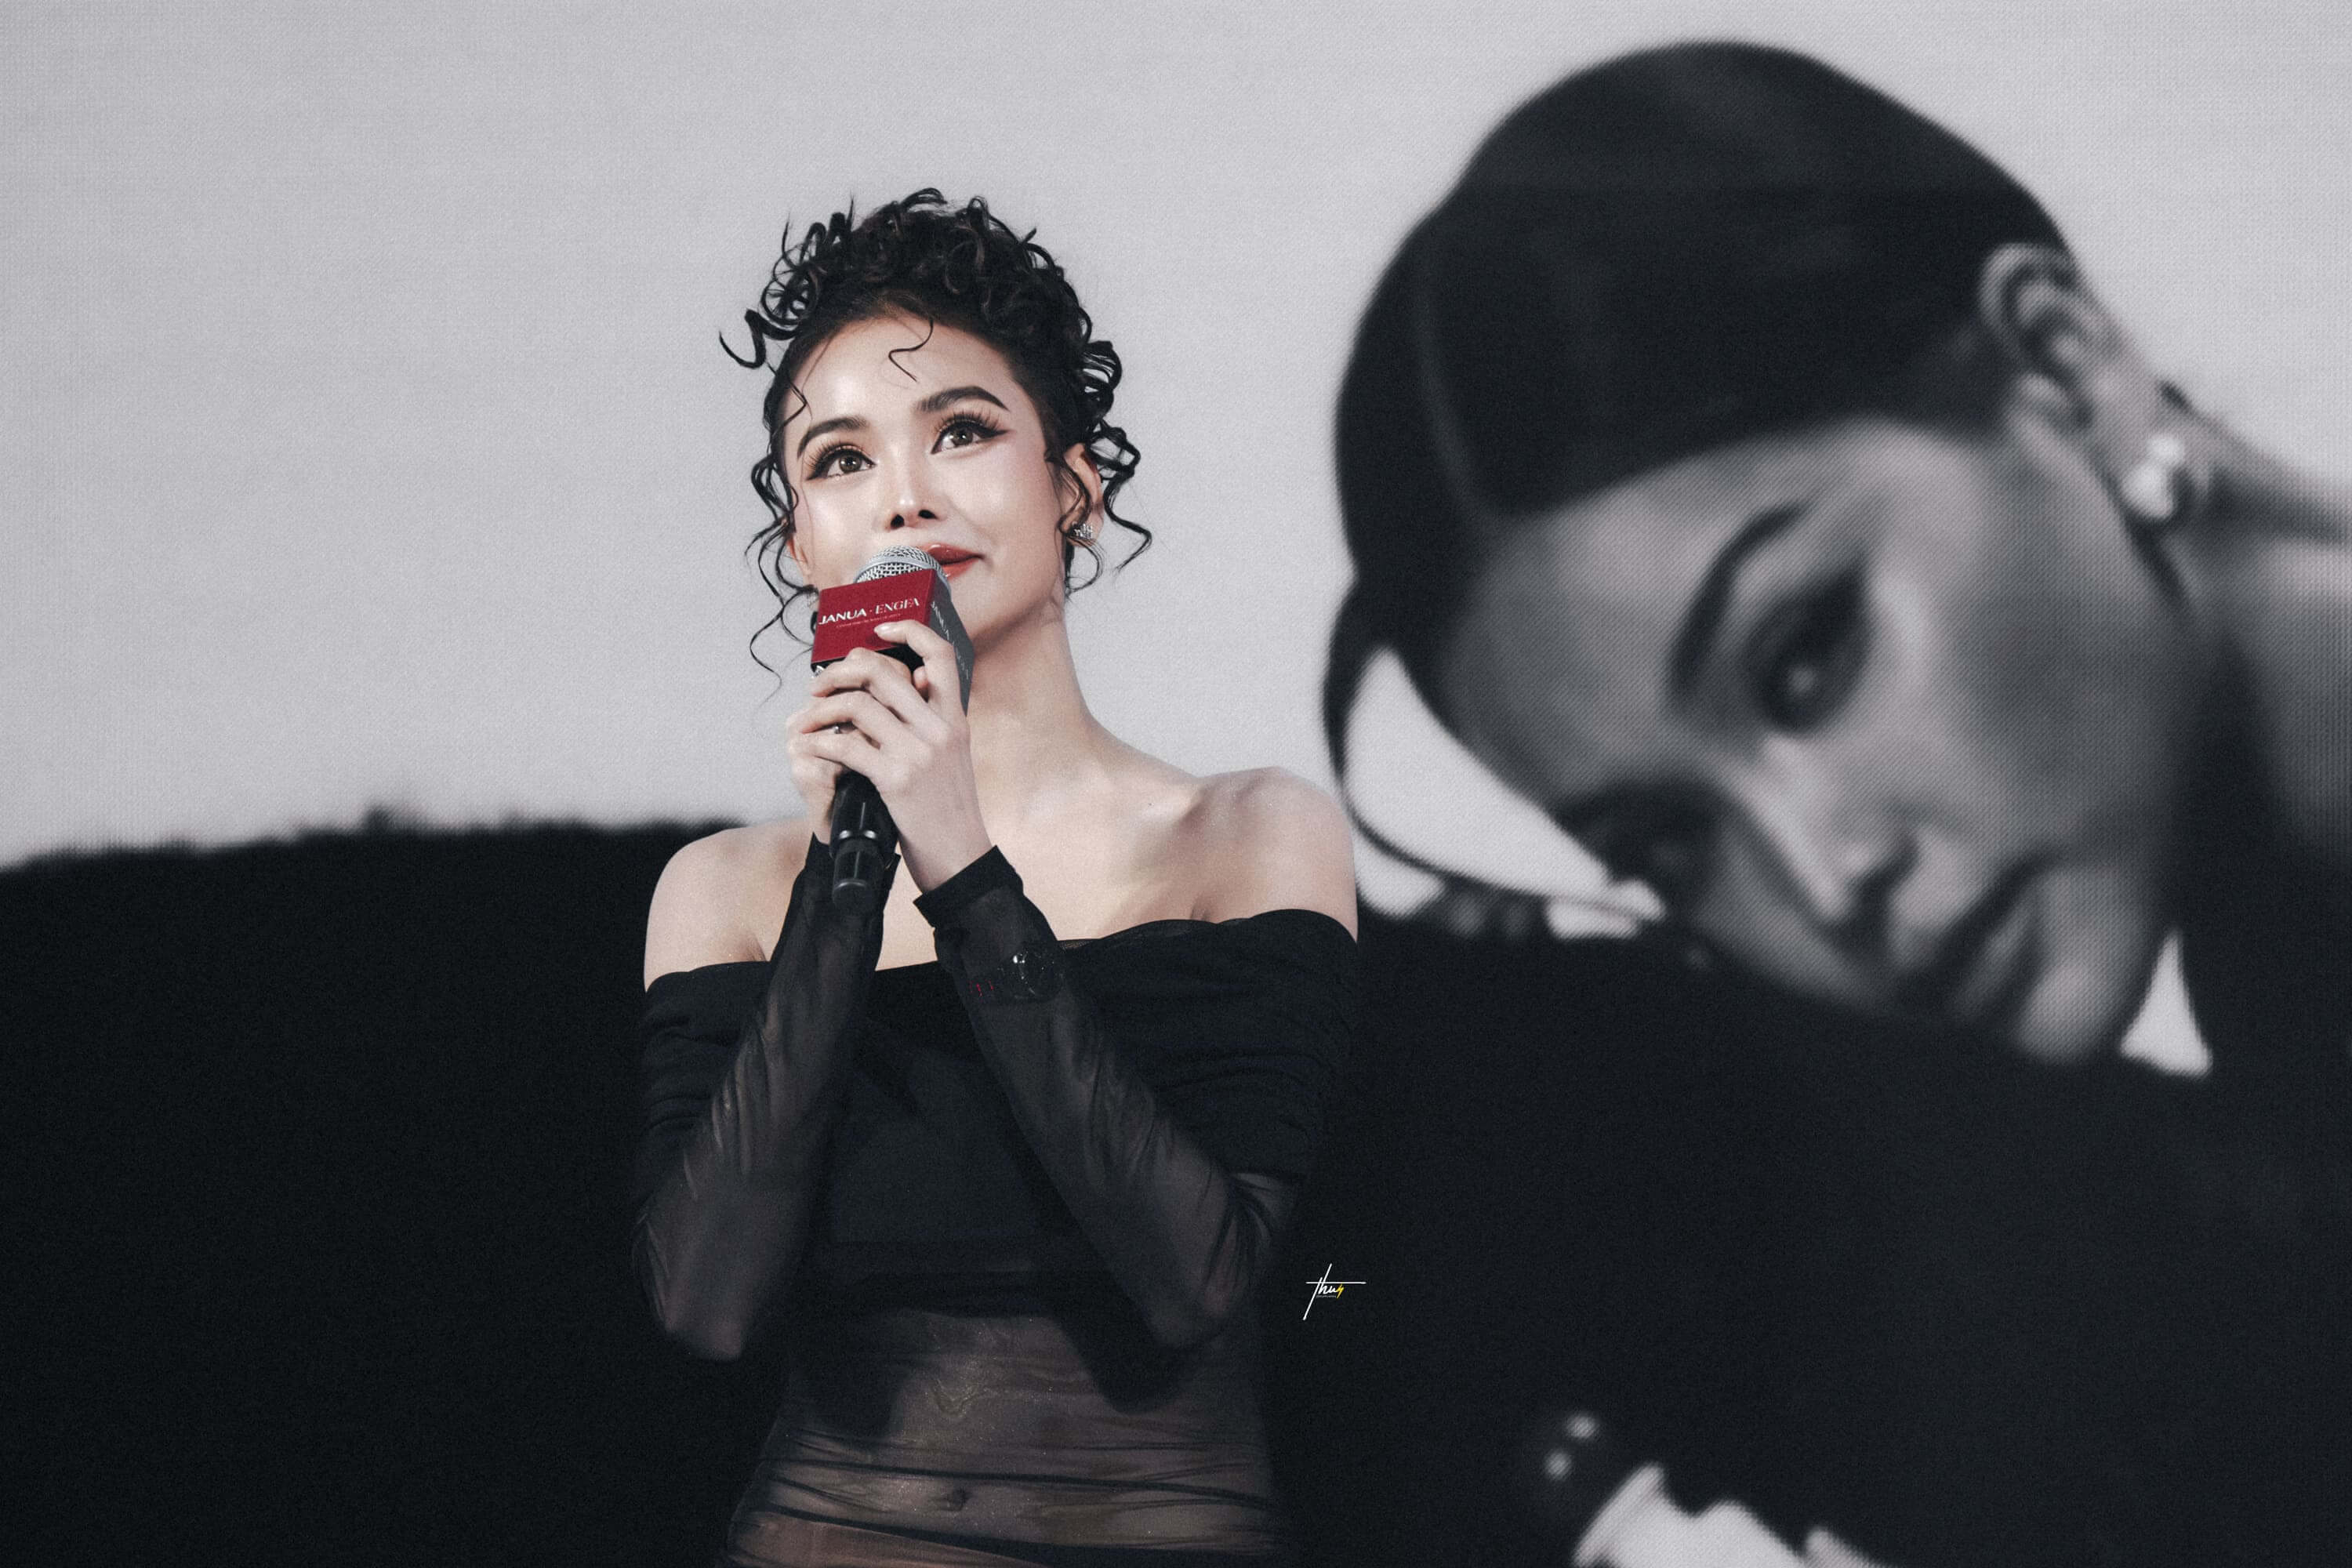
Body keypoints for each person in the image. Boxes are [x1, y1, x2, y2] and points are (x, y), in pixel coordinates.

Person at [1275, 41, 2352, 1567]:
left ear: (2063, 368)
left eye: (1806, 657)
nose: (1825, 877)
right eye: (1672, 843)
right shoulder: (2284, 967)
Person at [632, 191, 1362, 1568]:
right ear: (802, 545)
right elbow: (707, 1307)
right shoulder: (726, 889)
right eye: (842, 459)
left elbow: (1201, 1278)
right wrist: (850, 871)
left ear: (1074, 488)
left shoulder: (1243, 834)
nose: (905, 495)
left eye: (961, 432)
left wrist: (960, 859)